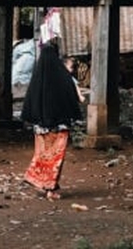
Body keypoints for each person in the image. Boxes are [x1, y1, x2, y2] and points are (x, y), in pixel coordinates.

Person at [21, 40, 83, 200]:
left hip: (41, 129)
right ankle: (50, 187)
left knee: (42, 156)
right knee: (56, 159)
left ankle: (41, 181)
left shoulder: (37, 78)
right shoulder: (63, 77)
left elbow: (30, 102)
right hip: (59, 127)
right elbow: (73, 98)